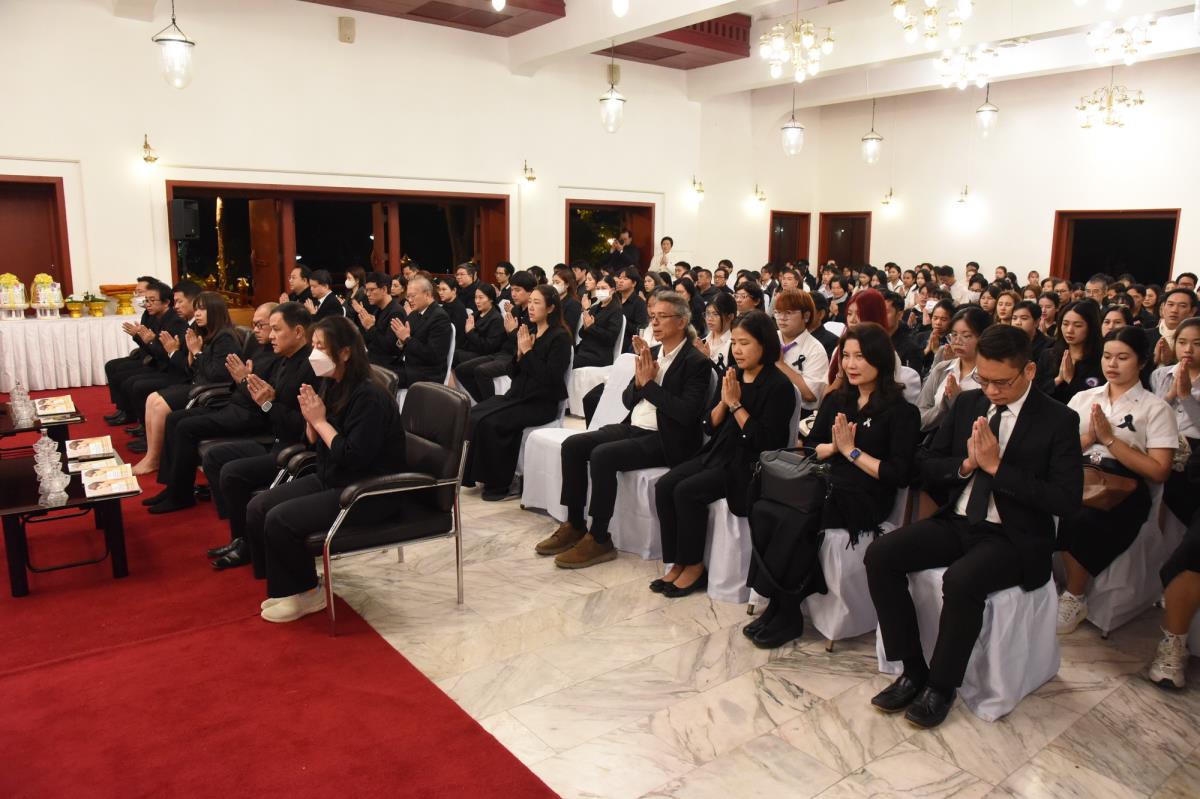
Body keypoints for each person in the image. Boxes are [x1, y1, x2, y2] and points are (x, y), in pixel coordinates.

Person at [865, 325, 1083, 729]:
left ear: (1029, 370)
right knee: (881, 555)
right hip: (959, 519)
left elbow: (1066, 500)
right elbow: (927, 463)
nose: (992, 391)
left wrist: (998, 468)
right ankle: (913, 669)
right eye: (984, 379)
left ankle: (942, 686)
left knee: (962, 580)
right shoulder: (968, 403)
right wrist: (965, 465)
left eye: (1002, 382)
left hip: (1014, 535)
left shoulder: (1058, 419)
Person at [745, 323, 919, 648]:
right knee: (767, 507)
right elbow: (813, 446)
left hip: (866, 495)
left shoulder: (901, 412)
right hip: (825, 480)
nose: (850, 364)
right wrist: (833, 448)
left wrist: (851, 452)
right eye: (846, 356)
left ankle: (788, 610)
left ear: (880, 359)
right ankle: (777, 601)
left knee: (799, 518)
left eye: (860, 357)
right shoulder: (838, 399)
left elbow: (898, 474)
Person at [248, 316, 407, 623]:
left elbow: (352, 456)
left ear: (345, 352)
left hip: (366, 491)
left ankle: (309, 593)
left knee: (280, 520)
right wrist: (311, 420)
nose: (314, 353)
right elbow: (314, 441)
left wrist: (319, 421)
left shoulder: (370, 397)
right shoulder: (332, 383)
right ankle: (289, 586)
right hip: (334, 476)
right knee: (260, 506)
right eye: (314, 345)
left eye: (321, 346)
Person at [541, 292, 712, 567]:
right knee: (573, 446)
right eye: (652, 317)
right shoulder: (652, 353)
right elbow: (626, 400)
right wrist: (640, 384)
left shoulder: (696, 362)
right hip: (635, 426)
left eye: (662, 317)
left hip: (667, 439)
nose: (655, 323)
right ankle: (574, 523)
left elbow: (686, 413)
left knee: (603, 455)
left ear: (681, 322)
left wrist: (649, 385)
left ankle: (599, 538)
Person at [652, 311, 797, 598]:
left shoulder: (778, 386)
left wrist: (735, 405)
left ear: (764, 345)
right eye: (735, 343)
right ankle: (678, 560)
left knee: (686, 491)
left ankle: (695, 566)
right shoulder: (733, 375)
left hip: (747, 465)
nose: (738, 350)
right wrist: (723, 402)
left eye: (745, 343)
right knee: (665, 485)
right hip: (718, 453)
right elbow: (709, 424)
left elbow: (766, 441)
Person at [1056, 327, 1177, 634]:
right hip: (1080, 473)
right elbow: (1059, 450)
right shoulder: (1083, 398)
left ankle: (1075, 595)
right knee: (1043, 500)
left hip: (1125, 486)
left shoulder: (1155, 408)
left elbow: (1159, 471)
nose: (1112, 364)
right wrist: (1090, 438)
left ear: (1141, 362)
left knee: (1082, 517)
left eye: (1122, 358)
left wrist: (1110, 440)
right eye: (1107, 356)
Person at [201, 303, 317, 568]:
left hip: (294, 450)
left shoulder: (309, 368)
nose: (270, 335)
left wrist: (267, 403)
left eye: (277, 329)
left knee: (233, 473)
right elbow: (269, 406)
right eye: (270, 329)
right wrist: (256, 392)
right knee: (215, 456)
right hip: (274, 437)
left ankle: (249, 545)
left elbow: (301, 425)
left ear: (298, 331)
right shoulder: (284, 360)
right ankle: (241, 537)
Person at [462, 285, 572, 501]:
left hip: (541, 403)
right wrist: (520, 355)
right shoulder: (529, 332)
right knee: (475, 414)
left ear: (551, 308)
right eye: (530, 302)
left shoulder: (560, 337)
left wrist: (528, 352)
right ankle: (480, 475)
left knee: (493, 423)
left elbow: (550, 378)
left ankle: (503, 483)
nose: (530, 307)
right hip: (518, 395)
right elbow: (513, 372)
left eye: (536, 303)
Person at [130, 291, 241, 476]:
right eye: (196, 309)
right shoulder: (205, 333)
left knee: (159, 405)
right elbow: (192, 370)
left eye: (202, 309)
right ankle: (152, 455)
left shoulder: (225, 337)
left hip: (211, 392)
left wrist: (196, 353)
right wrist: (191, 355)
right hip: (198, 384)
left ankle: (154, 459)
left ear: (215, 310)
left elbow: (217, 375)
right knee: (152, 399)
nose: (197, 313)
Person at [120, 281, 200, 436]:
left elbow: (184, 364)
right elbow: (166, 353)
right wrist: (146, 341)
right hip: (171, 367)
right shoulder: (179, 322)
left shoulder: (181, 323)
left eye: (179, 302)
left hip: (183, 377)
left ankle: (146, 431)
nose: (176, 307)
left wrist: (163, 347)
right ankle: (142, 426)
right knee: (127, 377)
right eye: (175, 302)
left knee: (139, 385)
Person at [103, 280, 184, 427]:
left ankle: (141, 423)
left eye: (152, 300)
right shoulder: (155, 316)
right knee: (115, 369)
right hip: (157, 361)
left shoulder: (174, 322)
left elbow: (165, 356)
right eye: (146, 300)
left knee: (133, 383)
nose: (148, 304)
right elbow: (153, 349)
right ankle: (127, 412)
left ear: (166, 302)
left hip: (169, 368)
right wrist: (141, 338)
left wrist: (150, 341)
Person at [455, 271, 536, 402]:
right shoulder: (515, 310)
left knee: (481, 371)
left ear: (530, 292)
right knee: (461, 370)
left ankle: (490, 405)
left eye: (517, 290)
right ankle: (484, 403)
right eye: (512, 289)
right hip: (502, 353)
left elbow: (527, 343)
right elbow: (505, 339)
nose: (513, 294)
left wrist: (512, 331)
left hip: (516, 357)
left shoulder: (533, 313)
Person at [917, 307, 991, 434]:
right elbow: (919, 418)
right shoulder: (942, 369)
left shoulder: (990, 376)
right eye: (954, 335)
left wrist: (958, 401)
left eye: (966, 336)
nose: (957, 341)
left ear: (983, 337)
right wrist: (943, 406)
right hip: (935, 441)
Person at [773, 290, 829, 418]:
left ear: (806, 316)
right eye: (778, 312)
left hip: (798, 413)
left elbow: (811, 395)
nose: (782, 318)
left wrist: (781, 365)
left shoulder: (815, 349)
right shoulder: (770, 338)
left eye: (788, 312)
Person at [389, 276, 452, 387]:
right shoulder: (414, 314)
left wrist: (407, 339)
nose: (409, 300)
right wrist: (401, 342)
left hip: (426, 372)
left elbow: (434, 356)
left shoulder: (440, 317)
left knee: (383, 380)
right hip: (408, 364)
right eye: (408, 296)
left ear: (427, 294)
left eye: (413, 296)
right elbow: (405, 342)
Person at [1041, 299, 1104, 404]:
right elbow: (1036, 391)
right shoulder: (1048, 355)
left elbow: (1095, 400)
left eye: (1077, 325)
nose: (1069, 330)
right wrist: (1058, 380)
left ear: (1091, 327)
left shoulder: (1101, 360)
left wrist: (1071, 379)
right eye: (1065, 324)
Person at [353, 271, 408, 371]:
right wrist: (366, 327)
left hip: (387, 367)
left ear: (384, 289)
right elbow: (370, 343)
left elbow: (390, 349)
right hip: (374, 361)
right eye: (367, 290)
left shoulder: (396, 312)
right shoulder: (378, 310)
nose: (368, 294)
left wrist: (370, 327)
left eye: (372, 290)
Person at [574, 274, 624, 368]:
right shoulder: (594, 308)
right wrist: (586, 326)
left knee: (566, 362)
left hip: (598, 355)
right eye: (598, 288)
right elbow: (581, 334)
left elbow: (610, 338)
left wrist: (591, 327)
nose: (600, 291)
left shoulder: (616, 311)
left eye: (603, 288)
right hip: (584, 350)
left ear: (612, 290)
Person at [454, 283, 506, 365]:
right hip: (469, 350)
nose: (477, 301)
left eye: (481, 297)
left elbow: (489, 347)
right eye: (476, 297)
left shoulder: (496, 319)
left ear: (491, 299)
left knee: (453, 356)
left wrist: (470, 332)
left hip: (484, 355)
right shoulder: (475, 315)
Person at [1153, 288, 1196, 367]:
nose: (1174, 310)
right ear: (1162, 308)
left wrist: (1171, 361)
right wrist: (1154, 360)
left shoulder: (1196, 340)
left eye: (1182, 306)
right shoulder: (1144, 335)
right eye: (1170, 304)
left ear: (1192, 311)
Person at [697, 292, 736, 371]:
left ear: (730, 317)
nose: (709, 318)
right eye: (707, 313)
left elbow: (729, 376)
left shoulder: (734, 344)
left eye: (715, 314)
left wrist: (707, 359)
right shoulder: (702, 341)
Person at [1010, 300, 1053, 372]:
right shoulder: (1006, 341)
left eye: (1024, 318)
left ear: (1036, 322)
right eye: (1014, 318)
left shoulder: (1049, 346)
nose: (1017, 323)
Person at [615, 266, 648, 353]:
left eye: (625, 279)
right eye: (619, 278)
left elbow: (641, 329)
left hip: (627, 346)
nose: (620, 281)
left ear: (634, 283)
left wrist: (622, 321)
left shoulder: (639, 303)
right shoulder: (614, 300)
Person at [436, 277, 468, 344]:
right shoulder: (445, 305)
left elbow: (458, 335)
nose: (440, 293)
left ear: (454, 290)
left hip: (454, 344)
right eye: (439, 289)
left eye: (444, 289)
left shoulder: (459, 308)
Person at [552, 267, 583, 335]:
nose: (554, 285)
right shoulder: (553, 301)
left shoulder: (573, 304)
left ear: (567, 284)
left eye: (557, 282)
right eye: (553, 282)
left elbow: (569, 328)